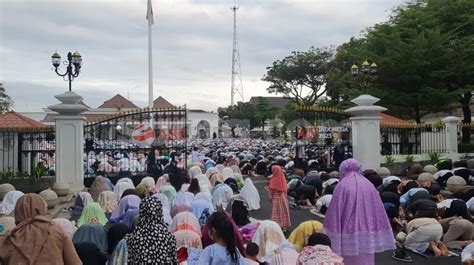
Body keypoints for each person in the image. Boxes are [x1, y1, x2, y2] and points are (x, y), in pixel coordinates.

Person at [324, 159, 395, 265]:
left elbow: (335, 211)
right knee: (366, 257)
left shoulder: (342, 186)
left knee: (347, 258)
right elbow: (376, 207)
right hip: (367, 227)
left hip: (347, 229)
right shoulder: (368, 184)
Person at [0, 193, 82, 265]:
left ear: (18, 212)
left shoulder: (9, 239)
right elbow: (74, 262)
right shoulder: (55, 230)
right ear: (42, 209)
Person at [125, 196, 177, 264]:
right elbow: (173, 261)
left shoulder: (131, 239)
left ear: (141, 212)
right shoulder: (169, 238)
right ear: (160, 212)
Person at [268, 165, 291, 231]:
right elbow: (286, 190)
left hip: (276, 198)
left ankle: (277, 225)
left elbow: (271, 192)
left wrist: (270, 199)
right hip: (283, 198)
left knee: (276, 212)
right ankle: (284, 226)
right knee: (284, 211)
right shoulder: (283, 179)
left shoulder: (273, 180)